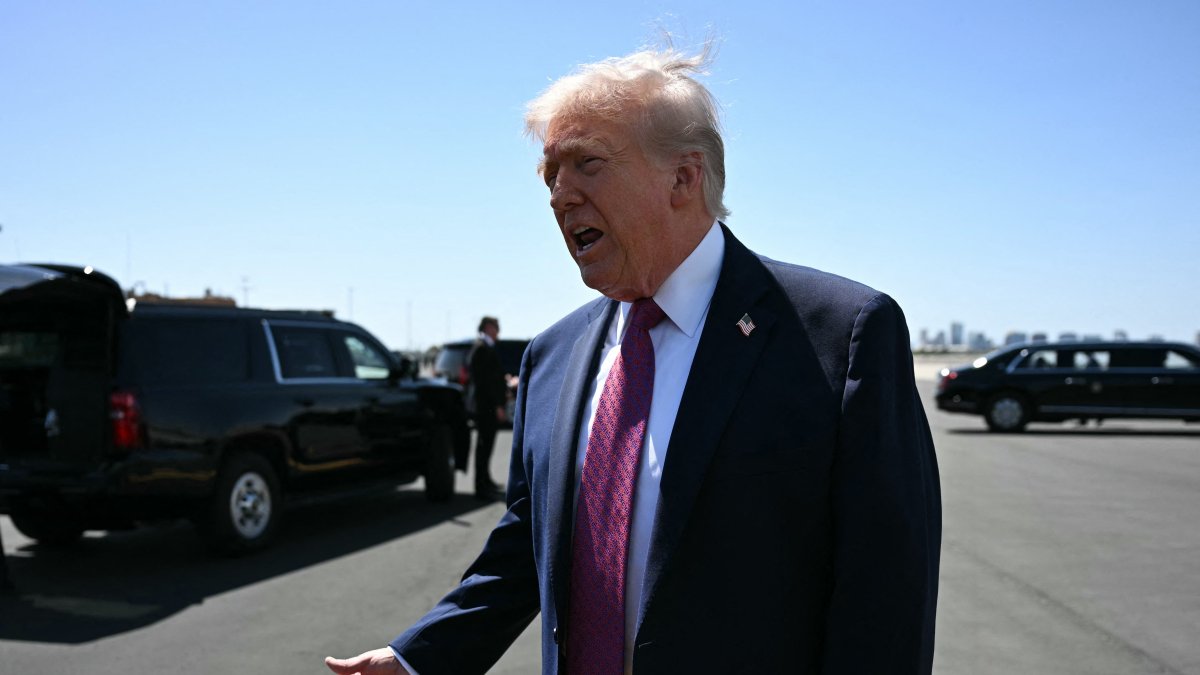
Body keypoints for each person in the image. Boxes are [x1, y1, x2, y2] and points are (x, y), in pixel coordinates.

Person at [327, 44, 940, 675]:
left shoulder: (841, 334)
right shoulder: (552, 355)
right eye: (549, 175)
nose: (559, 196)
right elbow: (530, 544)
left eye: (587, 163)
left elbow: (886, 594)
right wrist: (417, 658)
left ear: (684, 177)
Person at [469, 316, 507, 500]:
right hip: (486, 407)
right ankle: (481, 486)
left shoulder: (488, 347)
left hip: (488, 406)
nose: (497, 330)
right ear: (486, 328)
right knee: (483, 446)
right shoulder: (481, 349)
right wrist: (497, 405)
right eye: (494, 327)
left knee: (488, 445)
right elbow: (485, 383)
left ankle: (486, 480)